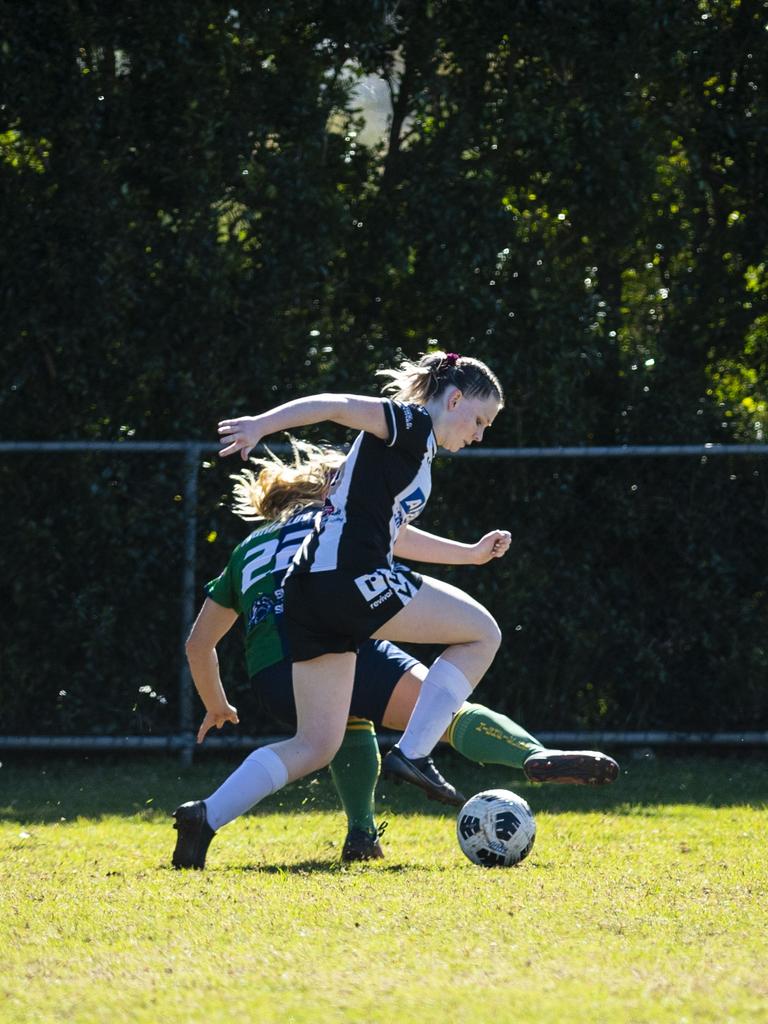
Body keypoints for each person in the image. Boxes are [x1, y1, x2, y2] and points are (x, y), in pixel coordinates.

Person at [172, 439, 619, 868]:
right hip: (336, 638)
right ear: (334, 490)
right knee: (443, 708)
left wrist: (216, 704)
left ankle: (316, 829)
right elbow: (399, 538)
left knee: (323, 735)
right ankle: (529, 754)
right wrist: (470, 554)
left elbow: (199, 644)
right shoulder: (338, 516)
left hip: (271, 676)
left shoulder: (246, 550)